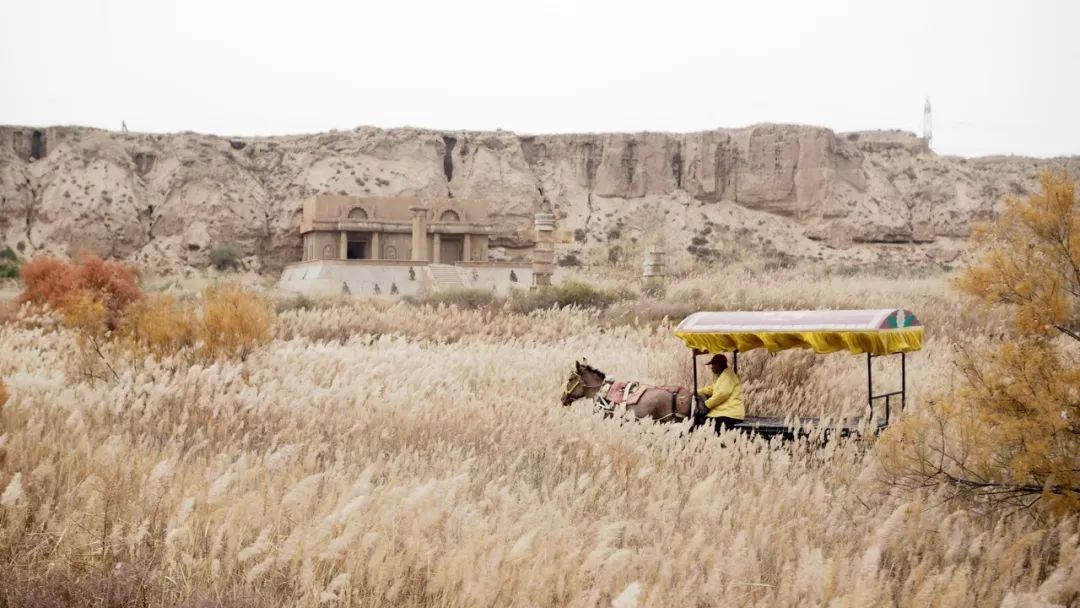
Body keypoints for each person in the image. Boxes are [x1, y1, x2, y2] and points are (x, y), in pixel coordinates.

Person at [694, 354, 745, 434]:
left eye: (713, 365)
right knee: (700, 419)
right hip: (725, 412)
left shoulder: (728, 376)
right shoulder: (723, 376)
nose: (711, 368)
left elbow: (722, 394)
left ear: (718, 365)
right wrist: (695, 391)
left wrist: (707, 405)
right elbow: (712, 389)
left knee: (700, 421)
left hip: (729, 414)